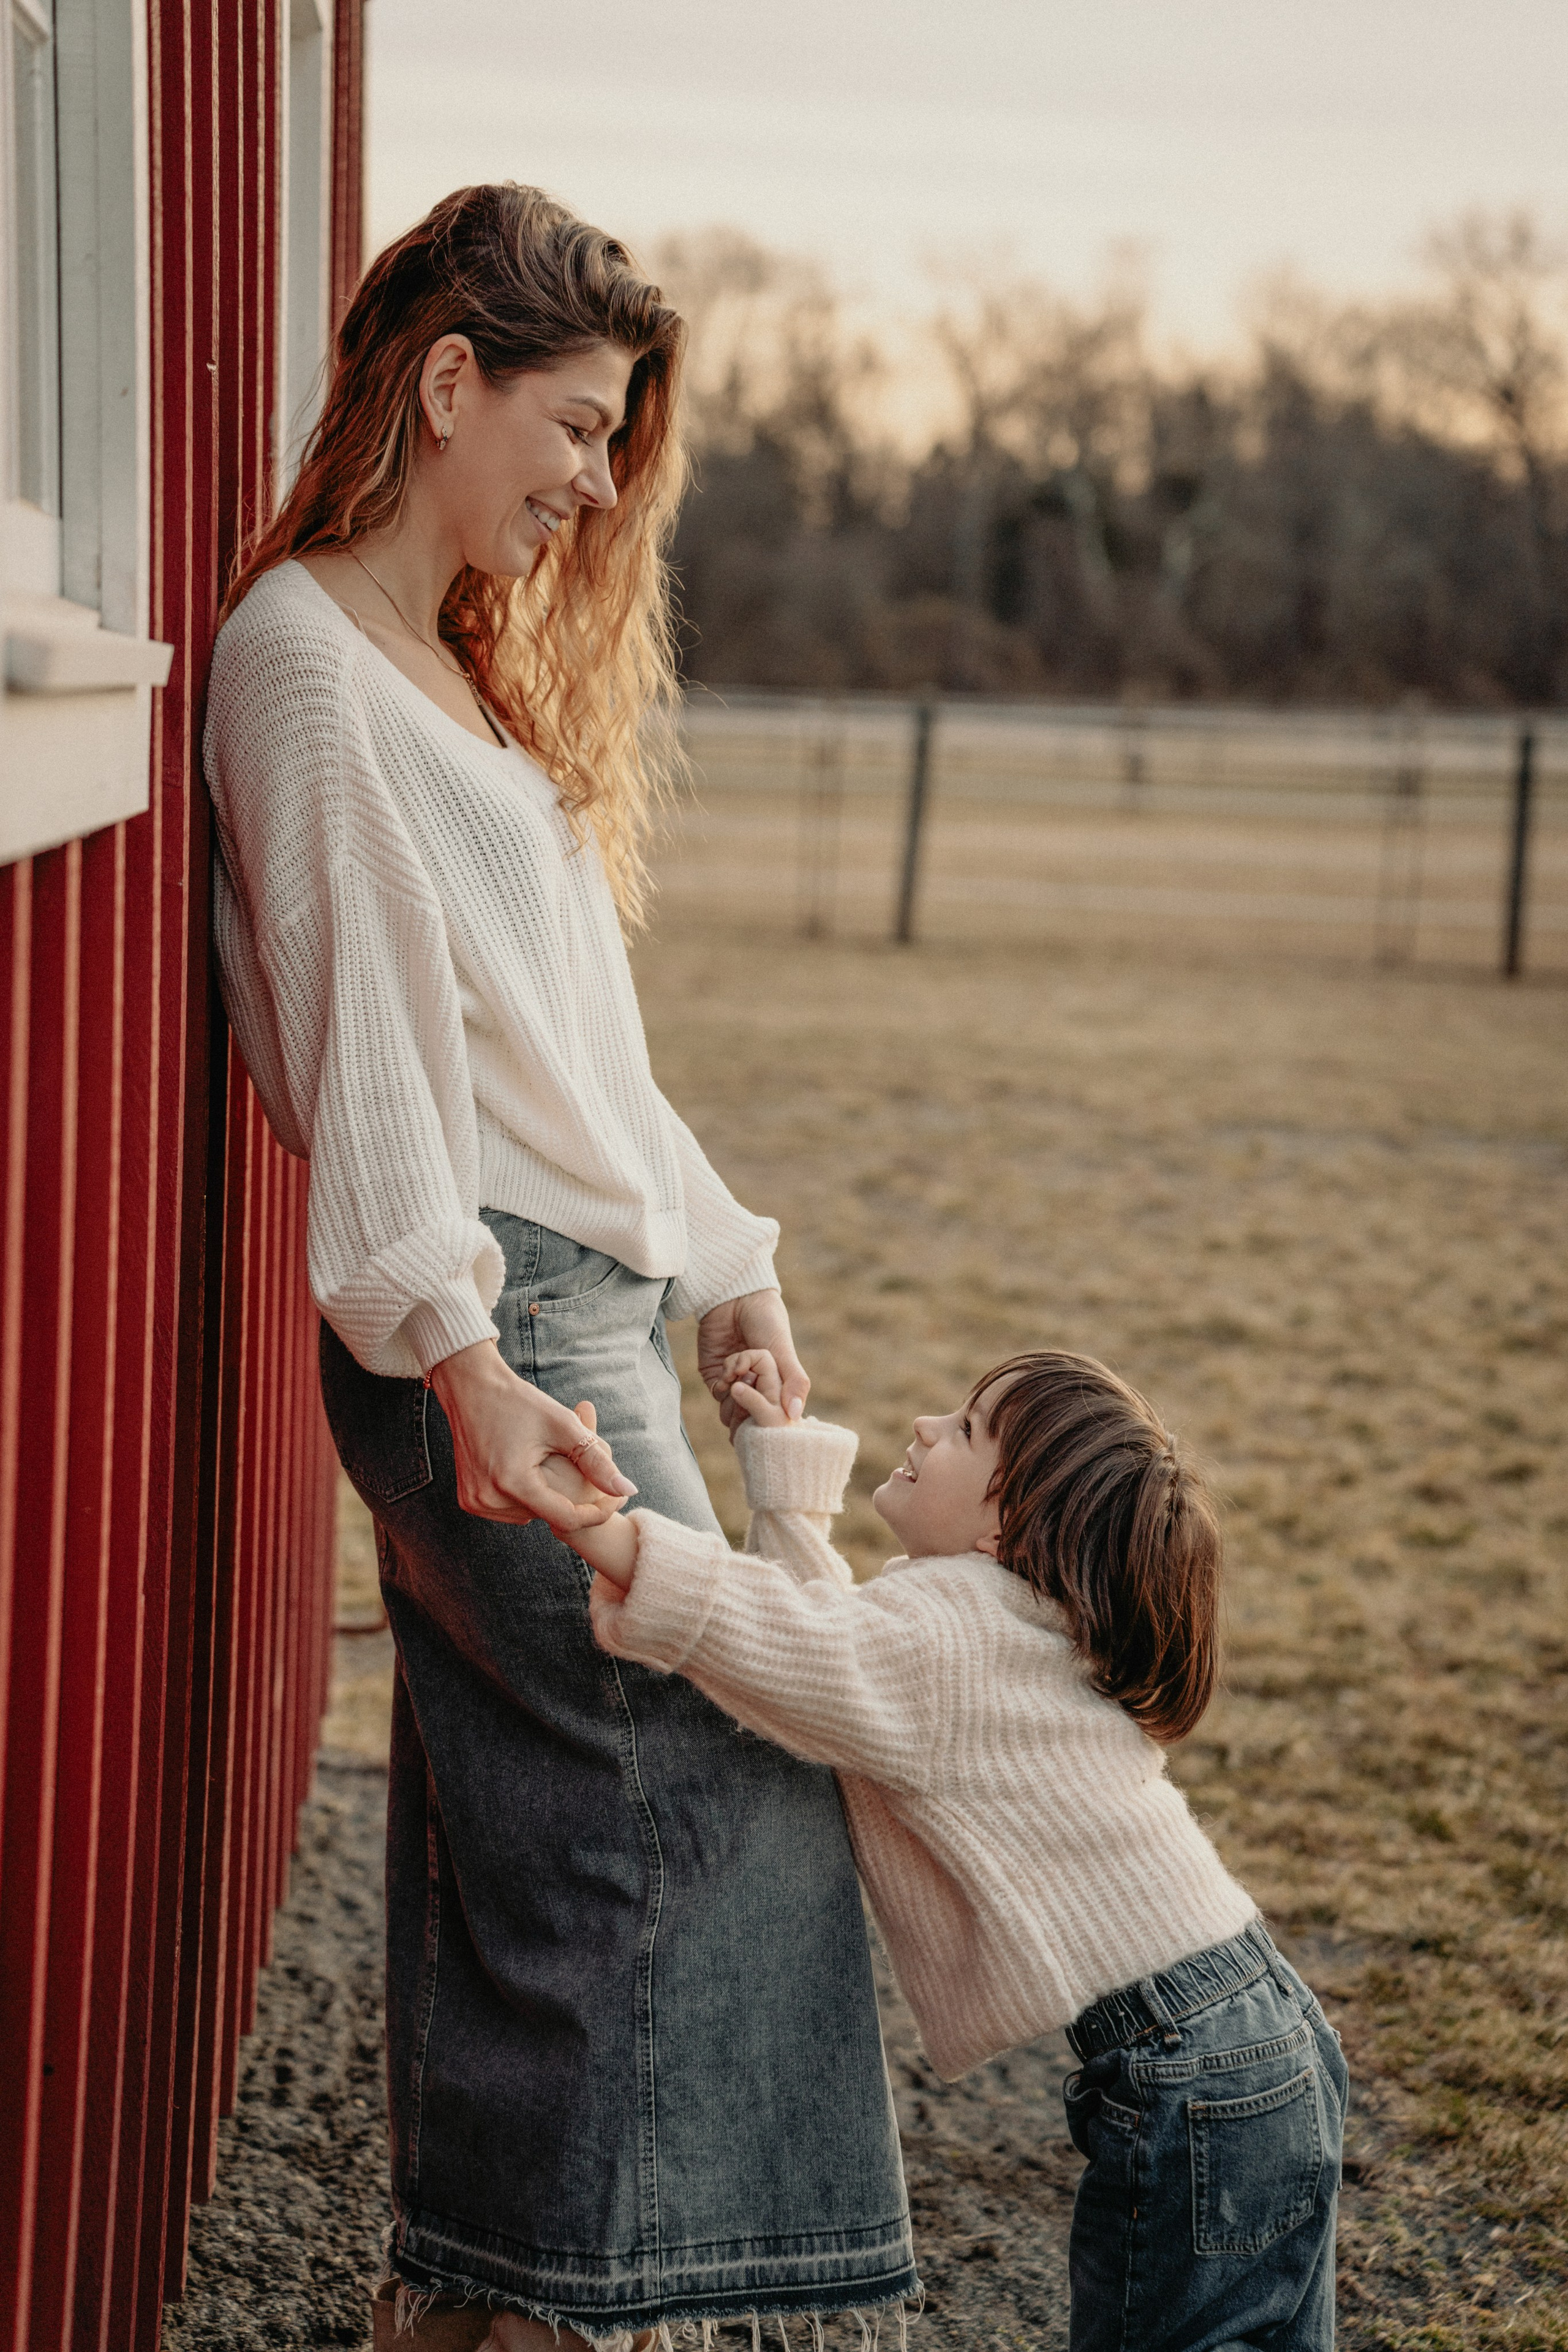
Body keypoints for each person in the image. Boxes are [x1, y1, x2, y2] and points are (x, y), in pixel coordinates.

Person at [203, 184, 915, 2351]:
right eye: (582, 429)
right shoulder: (311, 665)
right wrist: (454, 1355)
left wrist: (721, 1265)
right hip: (498, 1326)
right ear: (444, 386)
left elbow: (562, 1039)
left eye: (618, 442)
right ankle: (551, 2313)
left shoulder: (449, 670)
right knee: (694, 1797)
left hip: (563, 1306)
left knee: (536, 1829)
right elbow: (376, 1055)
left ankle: (477, 2312)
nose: (604, 487)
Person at [565, 1348, 1348, 2352]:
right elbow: (842, 1664)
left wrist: (612, 1538)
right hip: (1262, 2029)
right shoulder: (1000, 1625)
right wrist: (783, 1478)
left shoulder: (953, 1640)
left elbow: (809, 1650)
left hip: (1193, 2068)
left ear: (1002, 1527)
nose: (929, 1427)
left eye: (967, 1430)